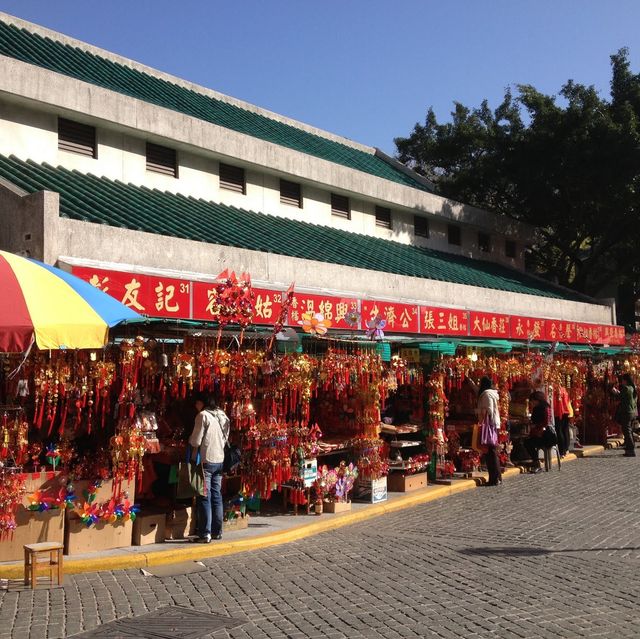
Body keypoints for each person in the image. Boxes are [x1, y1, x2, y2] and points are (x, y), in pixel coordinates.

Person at [188, 394, 230, 543]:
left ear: (202, 403)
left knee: (204, 496)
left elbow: (195, 440)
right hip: (219, 460)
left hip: (206, 461)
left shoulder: (203, 416)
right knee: (217, 496)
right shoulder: (223, 415)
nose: (196, 407)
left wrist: (190, 442)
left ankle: (205, 533)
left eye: (197, 403)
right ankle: (217, 531)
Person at [477, 376, 502, 486]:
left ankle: (494, 478)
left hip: (489, 425)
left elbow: (488, 410)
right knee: (492, 452)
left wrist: (480, 414)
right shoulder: (492, 393)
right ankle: (497, 477)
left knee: (490, 453)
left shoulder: (486, 394)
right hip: (493, 424)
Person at [525, 391, 556, 472]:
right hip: (551, 436)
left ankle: (536, 463)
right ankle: (536, 462)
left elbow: (539, 423)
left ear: (536, 400)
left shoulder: (538, 408)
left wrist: (533, 425)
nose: (531, 403)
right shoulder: (547, 406)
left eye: (532, 401)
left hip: (544, 437)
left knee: (527, 443)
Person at [613, 374, 638, 457]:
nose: (622, 381)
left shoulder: (626, 388)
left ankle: (630, 449)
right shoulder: (632, 388)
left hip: (627, 411)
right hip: (632, 412)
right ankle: (629, 448)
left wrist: (614, 391)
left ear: (625, 380)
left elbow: (620, 396)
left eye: (623, 380)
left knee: (627, 431)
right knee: (629, 430)